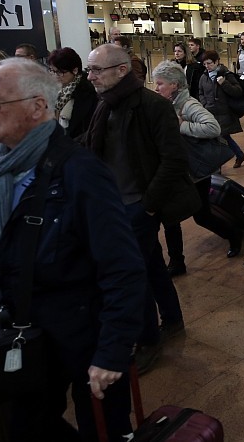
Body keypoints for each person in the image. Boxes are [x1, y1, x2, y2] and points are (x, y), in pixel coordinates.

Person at [0, 58, 145, 441]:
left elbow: (122, 267)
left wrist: (112, 351)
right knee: (27, 426)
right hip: (23, 331)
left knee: (103, 427)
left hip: (84, 333)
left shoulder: (81, 173)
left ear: (37, 107)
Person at [84, 44, 199, 374]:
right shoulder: (104, 105)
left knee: (134, 276)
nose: (90, 76)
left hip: (137, 207)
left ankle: (149, 339)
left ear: (121, 71)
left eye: (96, 70)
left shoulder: (152, 106)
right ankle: (173, 320)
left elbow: (174, 160)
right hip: (114, 204)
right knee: (150, 267)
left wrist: (147, 207)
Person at [152, 61, 242, 270]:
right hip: (176, 169)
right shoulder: (166, 104)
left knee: (202, 215)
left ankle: (233, 234)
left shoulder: (188, 105)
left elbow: (212, 127)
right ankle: (177, 261)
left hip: (195, 171)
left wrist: (182, 125)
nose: (156, 88)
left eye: (160, 84)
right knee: (170, 217)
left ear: (174, 85)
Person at [199, 50, 244, 168]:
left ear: (217, 62)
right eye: (205, 64)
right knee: (222, 137)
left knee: (219, 138)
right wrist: (204, 104)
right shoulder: (204, 77)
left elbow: (237, 92)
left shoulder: (226, 75)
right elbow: (201, 92)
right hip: (210, 112)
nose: (207, 67)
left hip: (224, 112)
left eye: (209, 63)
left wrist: (224, 84)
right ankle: (239, 155)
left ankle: (218, 166)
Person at [47, 47, 97, 139]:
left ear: (75, 70)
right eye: (52, 71)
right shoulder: (54, 90)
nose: (55, 76)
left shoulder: (87, 92)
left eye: (59, 72)